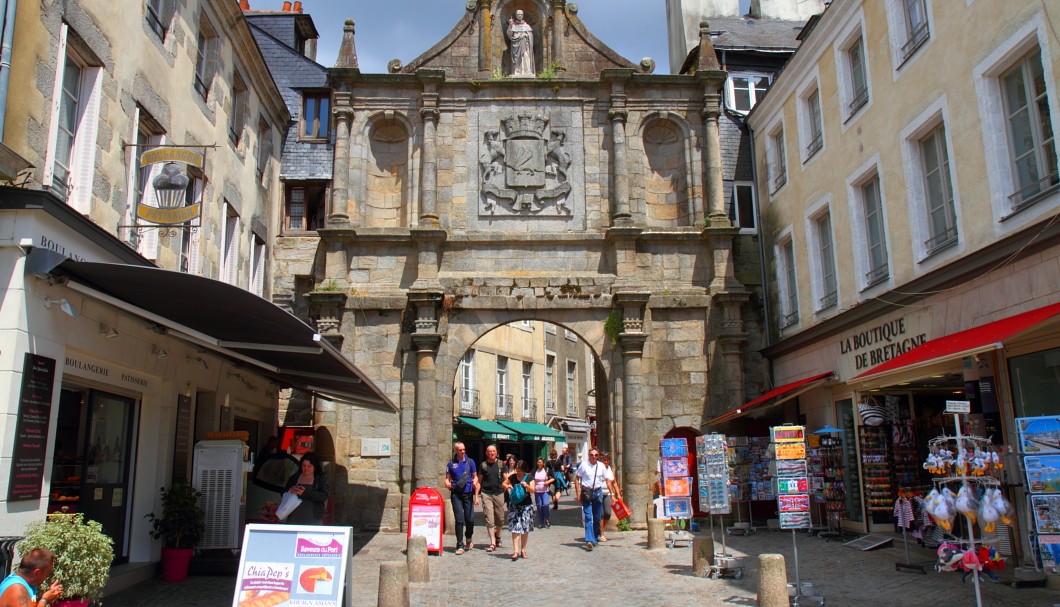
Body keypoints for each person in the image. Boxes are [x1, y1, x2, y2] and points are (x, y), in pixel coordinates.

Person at [573, 448, 612, 550]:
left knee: (597, 517)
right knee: (588, 517)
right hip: (587, 492)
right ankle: (589, 540)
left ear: (598, 456)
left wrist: (612, 493)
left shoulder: (601, 466)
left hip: (598, 492)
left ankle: (595, 537)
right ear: (589, 455)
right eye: (592, 454)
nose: (594, 456)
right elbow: (577, 479)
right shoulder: (584, 465)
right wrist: (578, 492)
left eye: (596, 455)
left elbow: (607, 480)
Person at [444, 441, 479, 555]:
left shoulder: (470, 462)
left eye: (464, 449)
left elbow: (475, 476)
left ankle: (468, 537)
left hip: (468, 493)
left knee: (470, 519)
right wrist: (447, 484)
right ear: (456, 450)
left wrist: (475, 481)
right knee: (459, 520)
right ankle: (459, 544)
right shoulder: (450, 463)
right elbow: (447, 478)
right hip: (456, 494)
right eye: (460, 450)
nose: (463, 451)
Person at [284, 451, 329, 525]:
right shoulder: (294, 477)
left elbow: (324, 496)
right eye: (303, 466)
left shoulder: (320, 478)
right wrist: (289, 490)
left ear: (315, 466)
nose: (306, 469)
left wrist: (305, 493)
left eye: (309, 466)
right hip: (294, 515)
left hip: (313, 517)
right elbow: (283, 493)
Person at [503, 459, 535, 560]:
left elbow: (533, 490)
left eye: (520, 470)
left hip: (526, 506)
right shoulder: (513, 477)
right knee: (515, 528)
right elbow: (503, 484)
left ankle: (523, 550)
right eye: (517, 470)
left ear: (524, 470)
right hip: (514, 506)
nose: (518, 472)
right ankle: (516, 551)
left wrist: (526, 485)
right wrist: (508, 487)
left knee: (525, 529)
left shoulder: (529, 477)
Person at [478, 444, 506, 552]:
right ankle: (493, 542)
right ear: (486, 453)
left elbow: (506, 479)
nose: (492, 453)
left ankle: (497, 536)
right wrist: (476, 496)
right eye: (490, 451)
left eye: (493, 451)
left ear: (496, 452)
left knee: (500, 518)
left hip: (499, 493)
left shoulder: (501, 464)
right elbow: (479, 481)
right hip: (486, 493)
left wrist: (509, 487)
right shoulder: (483, 465)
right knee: (490, 519)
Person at [598, 452, 623, 542]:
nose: (606, 461)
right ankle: (601, 534)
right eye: (604, 460)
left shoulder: (610, 470)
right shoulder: (598, 469)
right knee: (600, 514)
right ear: (601, 460)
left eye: (607, 460)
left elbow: (614, 482)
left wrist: (618, 494)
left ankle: (601, 529)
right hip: (599, 493)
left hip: (608, 494)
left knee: (608, 514)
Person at [507, 10, 534, 76]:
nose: (520, 16)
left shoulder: (527, 26)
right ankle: (517, 71)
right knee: (517, 58)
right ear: (516, 15)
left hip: (525, 45)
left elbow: (530, 36)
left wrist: (525, 36)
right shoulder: (513, 25)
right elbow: (509, 34)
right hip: (516, 45)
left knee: (525, 56)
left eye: (521, 14)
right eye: (518, 14)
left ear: (523, 15)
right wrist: (510, 25)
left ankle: (527, 71)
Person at [532, 457, 555, 528]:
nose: (539, 464)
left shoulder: (547, 470)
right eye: (538, 462)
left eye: (540, 462)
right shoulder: (535, 470)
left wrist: (548, 481)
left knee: (545, 505)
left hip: (545, 491)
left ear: (543, 463)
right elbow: (531, 479)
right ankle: (541, 522)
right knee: (539, 506)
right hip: (537, 491)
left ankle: (547, 519)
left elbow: (554, 478)